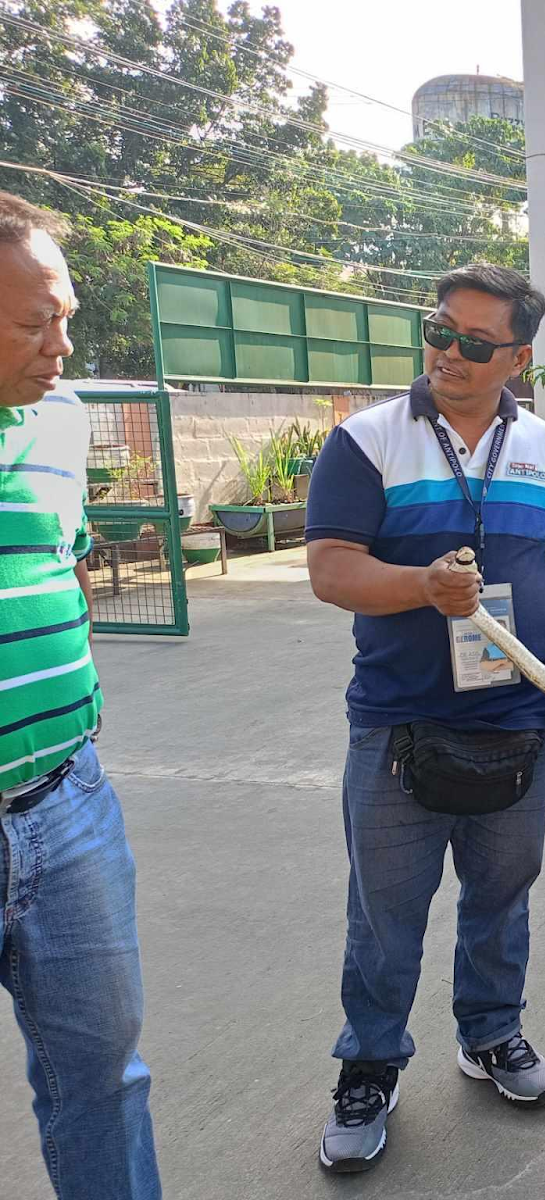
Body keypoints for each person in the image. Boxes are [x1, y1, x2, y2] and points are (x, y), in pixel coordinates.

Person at [305, 263, 545, 1172]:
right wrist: (422, 586)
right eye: (438, 331)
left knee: (501, 896)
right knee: (386, 913)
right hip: (396, 728)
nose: (448, 353)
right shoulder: (367, 442)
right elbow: (331, 569)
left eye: (474, 343)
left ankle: (492, 1034)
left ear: (518, 357)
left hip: (519, 723)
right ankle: (369, 1068)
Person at [0, 191, 161, 1200]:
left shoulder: (60, 417)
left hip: (66, 807)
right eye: (31, 322)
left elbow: (65, 564)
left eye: (65, 314)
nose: (62, 343)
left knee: (103, 1075)